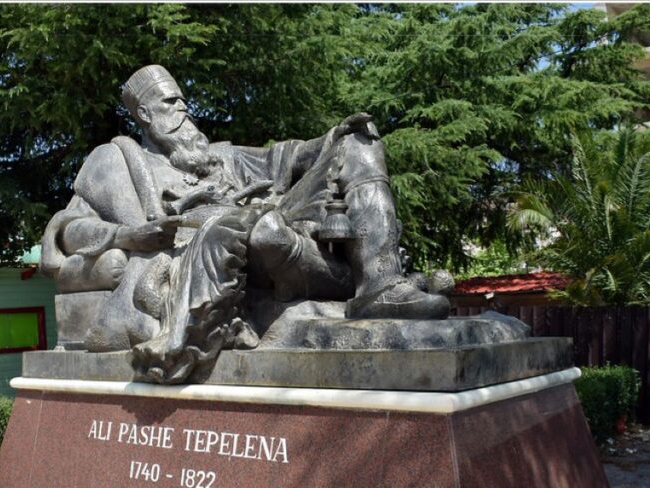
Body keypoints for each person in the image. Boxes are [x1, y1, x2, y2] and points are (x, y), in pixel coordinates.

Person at [41, 65, 450, 382]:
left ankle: (379, 282)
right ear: (144, 114)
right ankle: (333, 284)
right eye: (170, 104)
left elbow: (289, 157)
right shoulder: (119, 161)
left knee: (357, 144)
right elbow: (70, 228)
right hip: (221, 252)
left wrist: (333, 138)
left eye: (183, 101)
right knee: (264, 230)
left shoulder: (222, 155)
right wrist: (127, 235)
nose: (183, 110)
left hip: (279, 229)